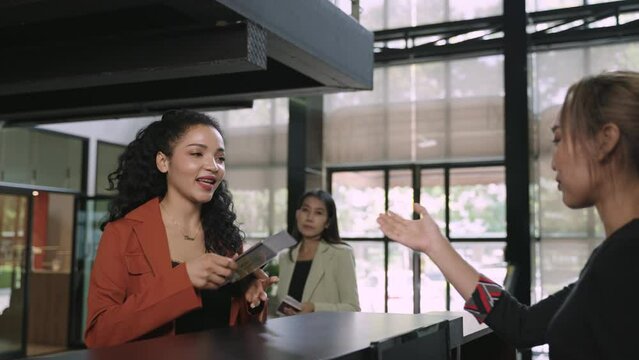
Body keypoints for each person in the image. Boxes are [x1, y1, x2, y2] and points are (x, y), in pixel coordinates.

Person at [377, 71, 639, 359]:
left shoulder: (625, 259)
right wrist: (435, 246)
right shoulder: (615, 257)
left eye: (559, 139)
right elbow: (521, 326)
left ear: (605, 140)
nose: (553, 162)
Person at [84, 110, 277, 348]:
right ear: (163, 162)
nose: (213, 166)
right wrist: (184, 279)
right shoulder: (122, 234)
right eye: (197, 153)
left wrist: (251, 299)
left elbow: (243, 335)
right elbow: (100, 334)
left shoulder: (226, 240)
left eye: (220, 158)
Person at [272, 189, 360, 316]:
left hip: (325, 334)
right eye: (305, 210)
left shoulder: (341, 254)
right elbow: (279, 306)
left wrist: (315, 308)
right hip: (288, 333)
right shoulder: (286, 256)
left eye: (318, 213)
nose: (309, 218)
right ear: (297, 214)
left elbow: (352, 308)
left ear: (328, 222)